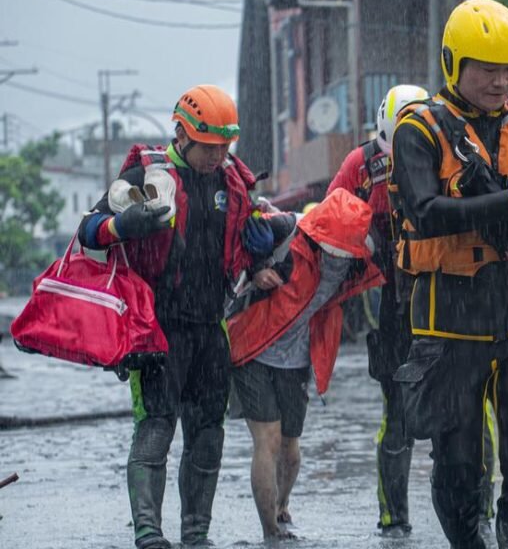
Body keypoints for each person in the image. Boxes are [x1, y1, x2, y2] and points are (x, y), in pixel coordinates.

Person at [389, 0, 508, 549]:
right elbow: (424, 212)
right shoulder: (418, 128)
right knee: (457, 458)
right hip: (448, 312)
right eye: (488, 69)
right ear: (453, 63)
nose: (501, 82)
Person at [78, 84, 272, 549]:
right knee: (157, 427)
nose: (218, 155)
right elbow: (88, 232)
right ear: (182, 135)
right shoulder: (146, 173)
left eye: (226, 146)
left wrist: (261, 247)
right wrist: (121, 225)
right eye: (209, 146)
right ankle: (148, 533)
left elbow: (246, 246)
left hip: (211, 326)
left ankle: (196, 534)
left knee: (208, 433)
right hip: (158, 329)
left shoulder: (233, 182)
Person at [328, 83, 505, 537]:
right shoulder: (361, 164)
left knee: (475, 409)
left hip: (453, 297)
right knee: (398, 416)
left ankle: (480, 511)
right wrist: (359, 239)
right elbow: (329, 216)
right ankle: (393, 520)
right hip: (392, 303)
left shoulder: (455, 141)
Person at [226, 188, 383, 541]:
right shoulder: (287, 229)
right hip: (253, 348)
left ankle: (281, 507)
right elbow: (235, 235)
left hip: (296, 359)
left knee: (290, 449)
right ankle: (270, 532)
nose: (336, 256)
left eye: (344, 250)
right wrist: (258, 267)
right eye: (332, 247)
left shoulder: (360, 257)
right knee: (266, 440)